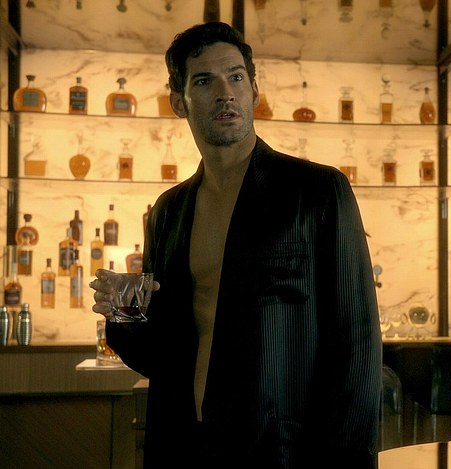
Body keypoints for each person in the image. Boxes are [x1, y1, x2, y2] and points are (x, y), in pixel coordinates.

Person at [89, 22, 382, 467]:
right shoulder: (169, 210)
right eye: (204, 81)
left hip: (281, 448)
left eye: (236, 77)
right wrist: (124, 312)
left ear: (253, 90)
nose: (225, 93)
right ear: (179, 102)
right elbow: (163, 356)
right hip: (186, 441)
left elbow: (358, 341)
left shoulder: (317, 191)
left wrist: (349, 460)